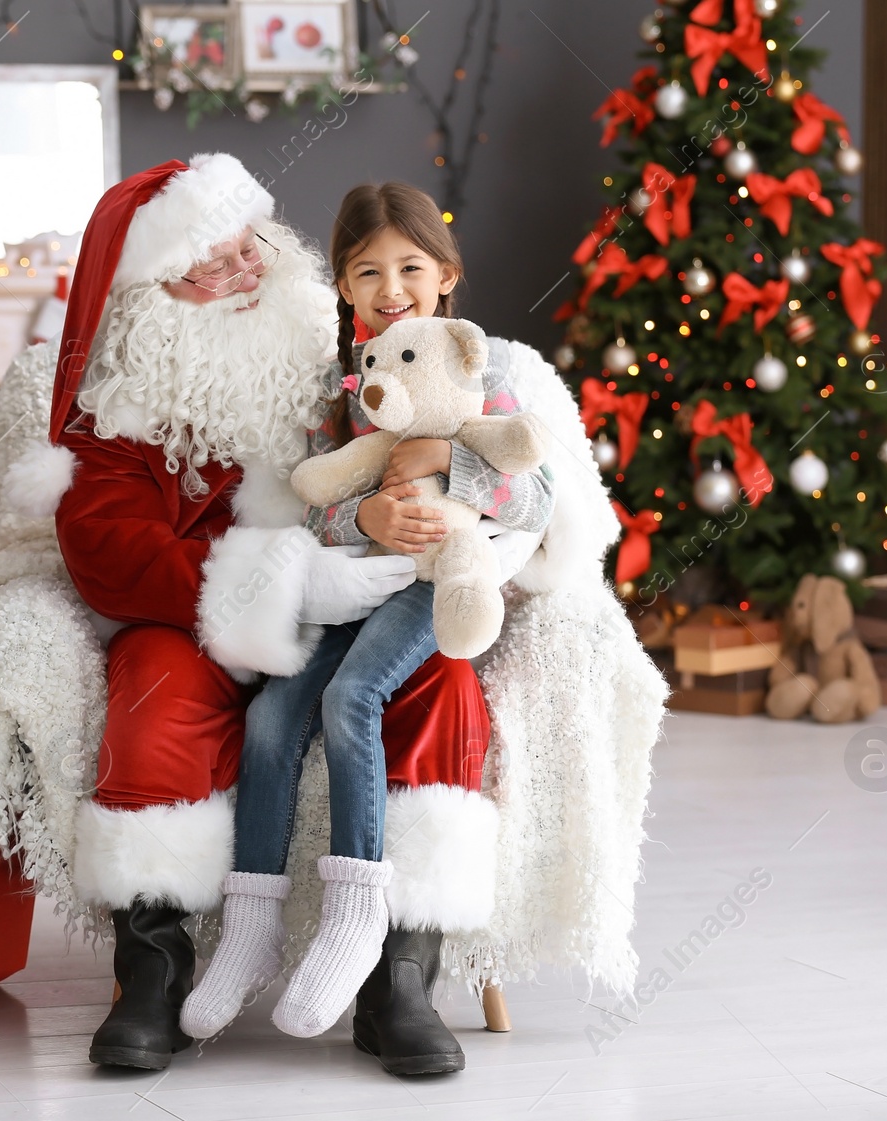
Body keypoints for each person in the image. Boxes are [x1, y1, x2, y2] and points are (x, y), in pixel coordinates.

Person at [0, 155, 502, 1073]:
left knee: (441, 681)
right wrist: (282, 582)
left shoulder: (354, 358)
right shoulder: (119, 404)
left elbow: (466, 454)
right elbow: (107, 553)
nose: (240, 271)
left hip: (365, 605)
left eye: (249, 248)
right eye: (203, 264)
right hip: (198, 620)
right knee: (152, 690)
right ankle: (155, 965)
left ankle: (401, 974)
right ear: (148, 294)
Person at [179, 182, 552, 1055]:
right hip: (355, 580)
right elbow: (314, 498)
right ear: (343, 287)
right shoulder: (343, 385)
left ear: (446, 275)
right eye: (368, 270)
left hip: (437, 579)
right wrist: (366, 518)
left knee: (352, 700)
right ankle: (251, 926)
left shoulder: (482, 365)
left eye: (411, 267)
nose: (392, 287)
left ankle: (357, 916)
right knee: (272, 711)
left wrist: (443, 471)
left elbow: (532, 494)